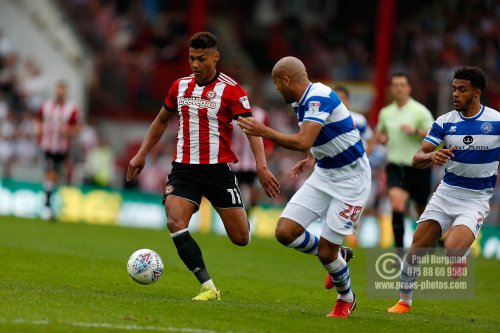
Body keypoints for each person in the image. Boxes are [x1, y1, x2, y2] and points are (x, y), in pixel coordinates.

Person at [126, 32, 280, 301]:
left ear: (215, 57)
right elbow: (161, 121)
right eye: (191, 58)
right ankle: (208, 287)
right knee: (175, 221)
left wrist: (262, 167)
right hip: (184, 169)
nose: (195, 64)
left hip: (217, 171)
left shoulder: (232, 90)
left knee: (241, 237)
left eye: (201, 59)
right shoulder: (179, 87)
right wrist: (141, 155)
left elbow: (252, 131)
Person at [238, 56, 371, 318]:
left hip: (351, 181)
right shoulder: (302, 102)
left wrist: (263, 130)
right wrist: (311, 157)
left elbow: (302, 139)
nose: (277, 89)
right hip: (324, 173)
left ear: (286, 80)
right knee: (285, 232)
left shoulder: (318, 96)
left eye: (277, 84)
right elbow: (326, 134)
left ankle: (346, 297)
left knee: (325, 254)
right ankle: (340, 253)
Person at [387, 66, 499, 314]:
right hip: (446, 193)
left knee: (452, 247)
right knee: (416, 248)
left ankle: (458, 257)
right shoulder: (444, 122)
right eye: (454, 89)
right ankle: (404, 301)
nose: (455, 94)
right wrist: (432, 155)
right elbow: (417, 157)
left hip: (475, 198)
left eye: (462, 90)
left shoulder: (495, 122)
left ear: (477, 93)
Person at [366, 73, 434, 255]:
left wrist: (416, 130)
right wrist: (379, 140)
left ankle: (433, 242)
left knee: (422, 210)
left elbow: (435, 134)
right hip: (396, 166)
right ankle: (399, 252)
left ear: (409, 88)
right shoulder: (386, 113)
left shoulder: (420, 111)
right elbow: (379, 134)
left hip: (418, 167)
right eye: (395, 85)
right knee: (397, 205)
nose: (398, 88)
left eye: (402, 85)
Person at [36, 81, 80, 220]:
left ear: (65, 92)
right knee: (51, 173)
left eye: (62, 90)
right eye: (58, 90)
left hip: (62, 148)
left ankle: (50, 203)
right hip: (48, 146)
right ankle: (47, 207)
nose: (60, 93)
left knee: (56, 177)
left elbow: (77, 128)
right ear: (55, 91)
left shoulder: (71, 109)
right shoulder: (46, 106)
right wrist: (39, 131)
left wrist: (67, 132)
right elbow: (37, 120)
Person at [231, 85, 273, 213]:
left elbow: (267, 135)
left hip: (254, 164)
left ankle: (247, 216)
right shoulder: (231, 115)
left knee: (254, 197)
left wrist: (268, 150)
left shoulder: (261, 114)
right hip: (236, 163)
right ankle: (238, 219)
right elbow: (226, 136)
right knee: (233, 196)